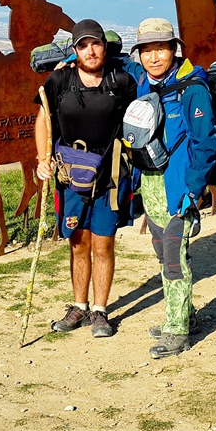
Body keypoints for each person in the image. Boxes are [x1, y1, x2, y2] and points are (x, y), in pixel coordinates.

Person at [34, 19, 137, 338]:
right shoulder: (59, 80)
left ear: (104, 47)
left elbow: (136, 125)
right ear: (75, 50)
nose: (90, 50)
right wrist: (41, 159)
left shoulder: (121, 80)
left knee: (103, 244)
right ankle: (79, 306)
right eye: (83, 45)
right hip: (70, 173)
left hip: (110, 174)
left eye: (95, 44)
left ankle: (100, 311)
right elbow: (43, 120)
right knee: (78, 242)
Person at [123, 18, 216, 359]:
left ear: (174, 49)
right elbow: (113, 59)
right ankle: (185, 316)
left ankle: (177, 331)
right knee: (163, 253)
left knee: (174, 259)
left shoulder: (192, 88)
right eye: (146, 51)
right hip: (151, 185)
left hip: (179, 188)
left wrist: (193, 191)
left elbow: (206, 143)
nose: (154, 57)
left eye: (160, 49)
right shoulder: (143, 82)